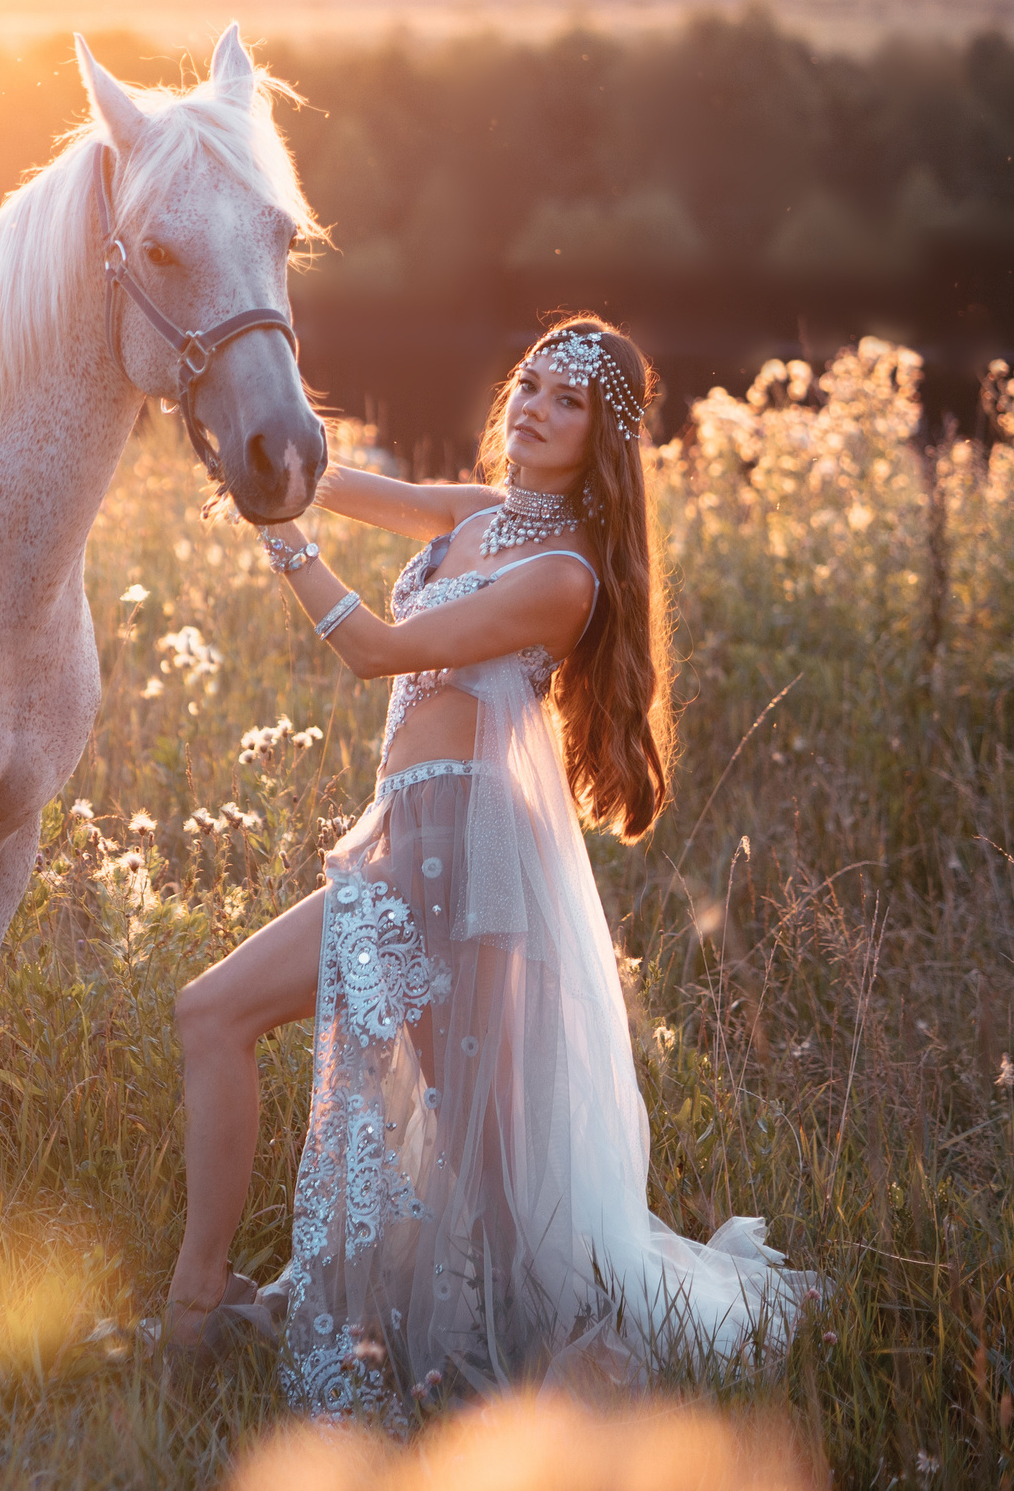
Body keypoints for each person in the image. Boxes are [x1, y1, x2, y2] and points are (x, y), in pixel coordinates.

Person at [157, 317, 808, 1422]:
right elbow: (319, 479)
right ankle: (201, 1302)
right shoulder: (476, 515)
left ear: (598, 439)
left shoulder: (563, 577)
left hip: (464, 852)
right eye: (530, 383)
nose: (535, 407)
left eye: (565, 402)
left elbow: (373, 649)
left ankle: (568, 1346)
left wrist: (279, 540)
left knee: (474, 1154)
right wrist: (247, 437)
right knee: (429, 1126)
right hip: (404, 838)